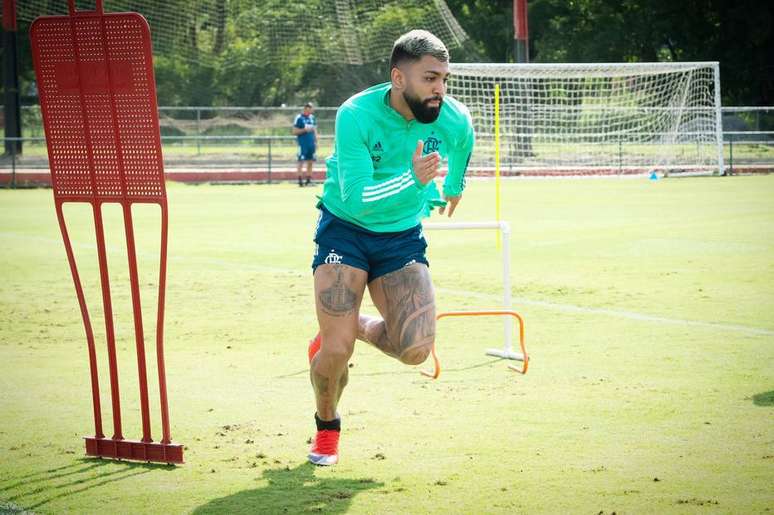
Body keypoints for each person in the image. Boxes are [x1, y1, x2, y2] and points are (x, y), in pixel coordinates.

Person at [306, 30, 475, 466]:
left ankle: (352, 326)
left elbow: (464, 138)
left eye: (444, 79)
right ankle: (327, 429)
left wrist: (454, 183)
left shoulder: (451, 115)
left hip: (400, 236)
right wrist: (416, 180)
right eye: (429, 78)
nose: (439, 89)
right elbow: (357, 194)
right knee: (337, 351)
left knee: (416, 349)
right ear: (399, 78)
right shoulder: (355, 115)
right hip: (346, 229)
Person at [292, 102, 318, 186]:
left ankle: (308, 180)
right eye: (310, 108)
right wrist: (304, 130)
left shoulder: (312, 118)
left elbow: (314, 130)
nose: (311, 110)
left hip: (311, 144)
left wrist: (316, 141)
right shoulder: (299, 118)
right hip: (303, 144)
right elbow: (294, 131)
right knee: (301, 161)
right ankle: (300, 180)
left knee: (310, 161)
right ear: (306, 109)